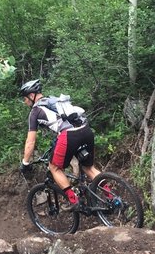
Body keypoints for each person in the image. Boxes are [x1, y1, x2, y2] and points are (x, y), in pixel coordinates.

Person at [18, 79, 100, 209]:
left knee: (54, 168)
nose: (25, 101)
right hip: (86, 130)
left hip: (69, 135)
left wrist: (25, 162)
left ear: (32, 95)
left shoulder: (35, 112)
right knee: (89, 168)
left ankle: (75, 201)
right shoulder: (55, 100)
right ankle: (112, 196)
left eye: (25, 98)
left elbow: (30, 142)